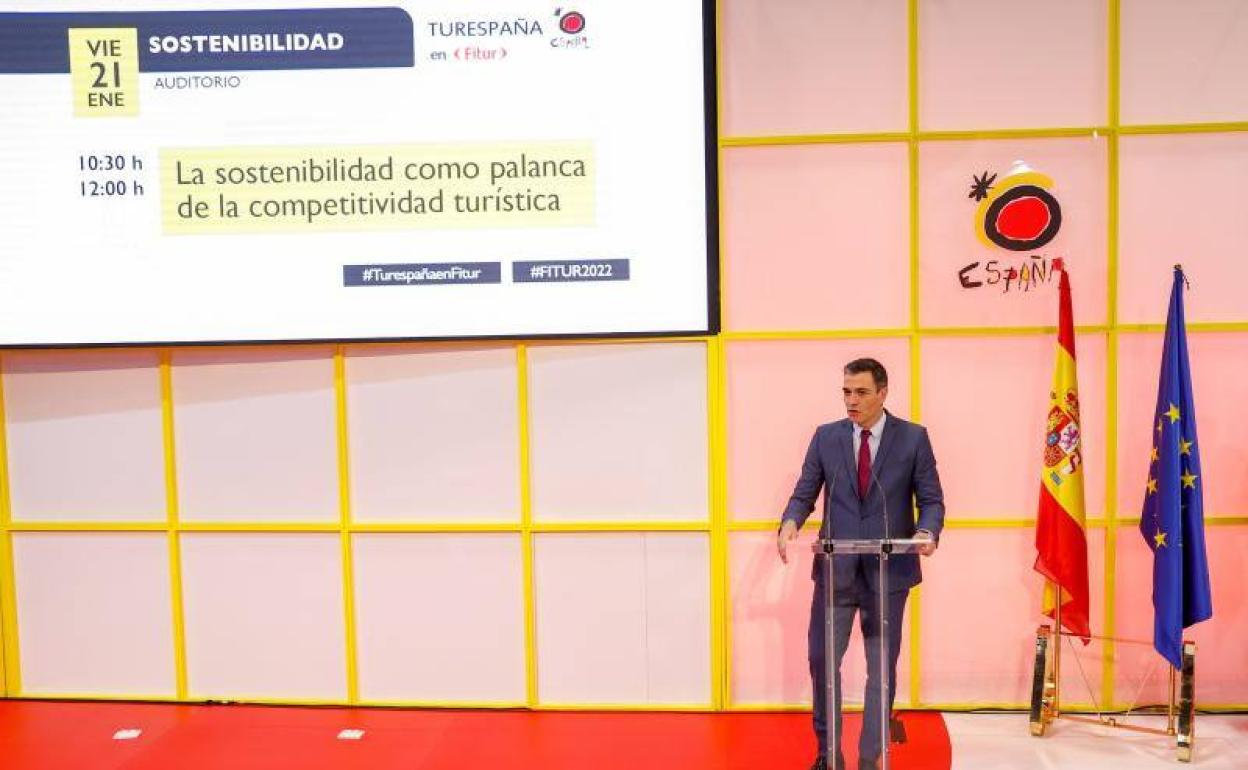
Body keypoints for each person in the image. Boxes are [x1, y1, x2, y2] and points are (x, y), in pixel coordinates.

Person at [777, 358, 945, 770]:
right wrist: (790, 522)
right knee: (821, 660)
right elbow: (805, 490)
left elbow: (932, 499)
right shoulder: (826, 438)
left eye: (861, 392)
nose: (851, 401)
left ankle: (872, 758)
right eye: (846, 392)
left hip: (888, 575)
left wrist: (927, 532)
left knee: (880, 669)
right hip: (836, 572)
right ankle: (827, 754)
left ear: (883, 393)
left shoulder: (913, 439)